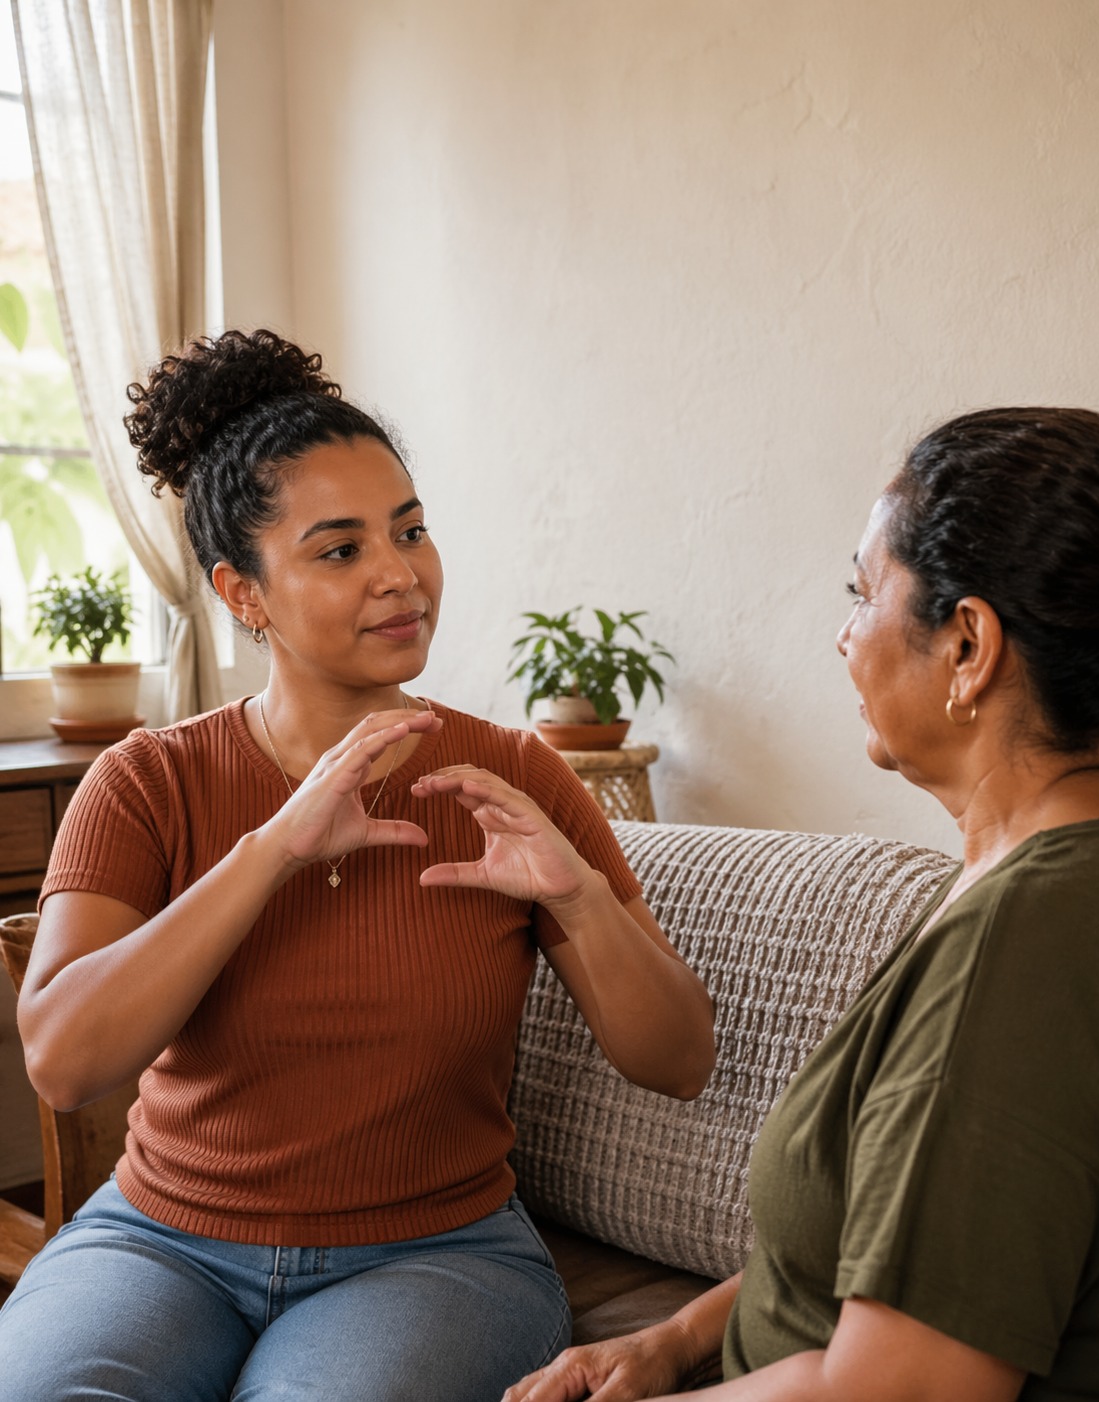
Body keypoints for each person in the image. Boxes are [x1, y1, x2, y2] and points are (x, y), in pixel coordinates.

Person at [0, 328, 716, 1402]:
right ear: (244, 593)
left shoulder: (513, 774)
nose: (401, 575)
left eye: (412, 531)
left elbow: (680, 1059)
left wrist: (577, 892)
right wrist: (274, 848)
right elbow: (63, 1056)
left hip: (438, 1255)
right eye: (341, 550)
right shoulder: (147, 780)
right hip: (159, 1242)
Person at [503, 406, 1099, 1402]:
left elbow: (903, 1390)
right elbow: (894, 1237)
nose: (843, 634)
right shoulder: (1025, 881)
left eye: (863, 590)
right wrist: (670, 1341)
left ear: (968, 644)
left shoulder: (1024, 949)